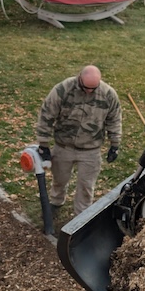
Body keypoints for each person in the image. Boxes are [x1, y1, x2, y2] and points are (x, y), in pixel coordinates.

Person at [36, 64, 122, 219]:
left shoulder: (108, 94)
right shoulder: (63, 89)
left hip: (91, 149)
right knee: (59, 179)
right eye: (86, 88)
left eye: (93, 88)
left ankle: (81, 217)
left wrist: (114, 144)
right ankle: (56, 201)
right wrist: (43, 144)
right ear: (79, 78)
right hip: (64, 146)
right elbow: (46, 114)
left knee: (86, 186)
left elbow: (114, 119)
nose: (89, 91)